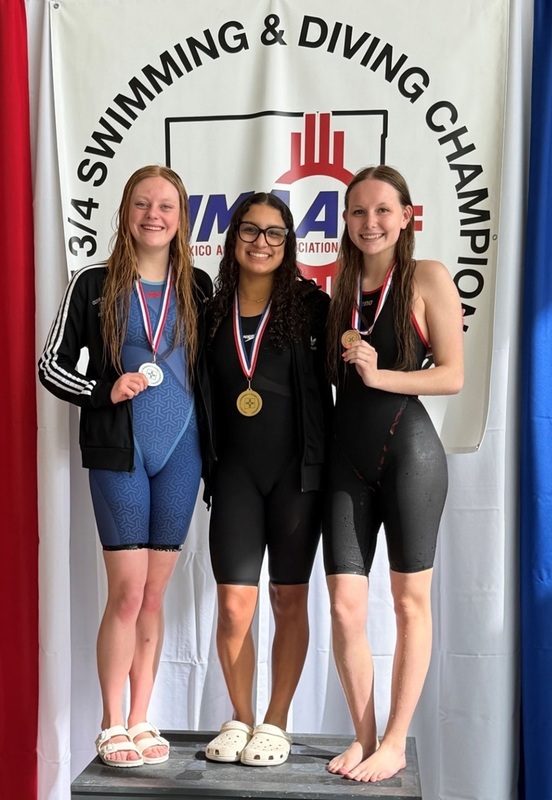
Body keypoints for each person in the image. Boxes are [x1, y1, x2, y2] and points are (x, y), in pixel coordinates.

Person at [38, 165, 212, 767]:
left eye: (166, 205)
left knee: (156, 596)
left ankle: (142, 718)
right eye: (142, 204)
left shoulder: (203, 288)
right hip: (121, 454)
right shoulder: (93, 283)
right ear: (125, 212)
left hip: (183, 457)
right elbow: (51, 366)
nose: (154, 215)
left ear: (182, 216)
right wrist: (104, 389)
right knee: (127, 592)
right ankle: (111, 722)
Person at [323, 165, 463, 783]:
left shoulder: (427, 277)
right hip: (345, 461)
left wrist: (381, 377)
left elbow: (452, 375)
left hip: (411, 455)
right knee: (346, 606)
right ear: (345, 221)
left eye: (383, 210)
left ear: (406, 215)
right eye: (358, 212)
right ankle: (363, 734)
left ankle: (397, 740)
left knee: (409, 603)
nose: (370, 222)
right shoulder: (339, 288)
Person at [203, 192, 332, 767]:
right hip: (232, 473)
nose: (262, 242)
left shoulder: (312, 306)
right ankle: (241, 716)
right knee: (234, 606)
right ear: (233, 240)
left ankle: (275, 721)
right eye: (250, 231)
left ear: (289, 243)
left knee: (288, 599)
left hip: (297, 476)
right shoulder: (209, 308)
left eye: (275, 232)